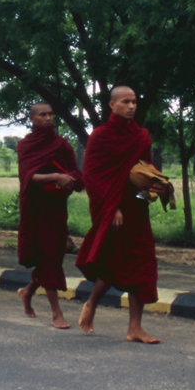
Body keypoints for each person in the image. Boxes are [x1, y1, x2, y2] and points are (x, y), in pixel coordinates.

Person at [75, 86, 168, 343]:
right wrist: (111, 207)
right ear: (112, 106)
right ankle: (92, 302)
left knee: (142, 265)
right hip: (110, 209)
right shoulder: (101, 136)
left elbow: (145, 169)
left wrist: (156, 187)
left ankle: (134, 328)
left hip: (135, 208)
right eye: (125, 102)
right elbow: (91, 177)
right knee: (113, 261)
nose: (131, 106)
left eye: (134, 102)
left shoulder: (140, 136)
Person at [16, 102, 84, 328]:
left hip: (56, 207)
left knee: (54, 255)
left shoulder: (60, 144)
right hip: (36, 209)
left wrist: (71, 179)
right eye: (42, 115)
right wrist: (55, 176)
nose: (48, 118)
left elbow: (74, 170)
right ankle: (56, 313)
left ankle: (27, 292)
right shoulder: (25, 145)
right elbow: (27, 177)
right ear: (32, 119)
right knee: (48, 257)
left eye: (50, 114)